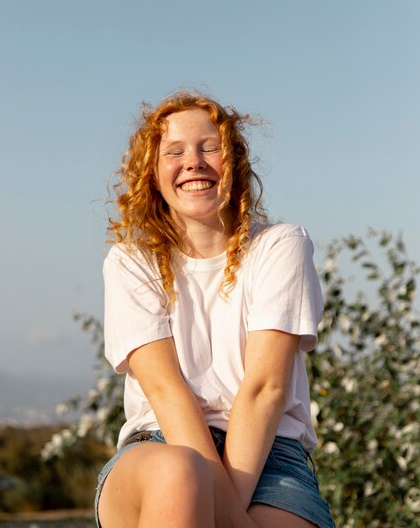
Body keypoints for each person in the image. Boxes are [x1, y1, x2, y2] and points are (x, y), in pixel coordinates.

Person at [95, 91, 336, 528]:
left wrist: (223, 510)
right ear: (152, 174)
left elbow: (265, 389)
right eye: (175, 152)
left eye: (210, 147)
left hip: (271, 459)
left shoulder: (281, 246)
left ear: (235, 163)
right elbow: (167, 393)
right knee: (180, 473)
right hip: (161, 445)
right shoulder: (131, 262)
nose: (194, 162)